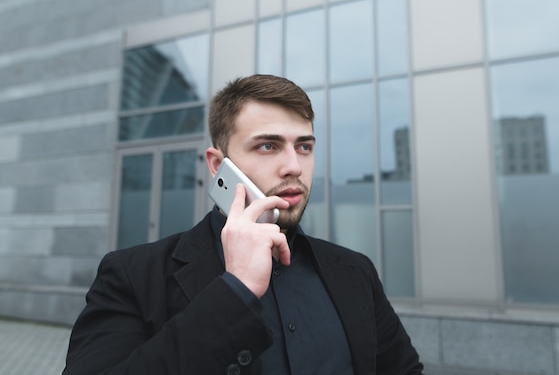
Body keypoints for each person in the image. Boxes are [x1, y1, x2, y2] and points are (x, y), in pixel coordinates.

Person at [63, 74, 425, 374]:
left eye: (304, 147)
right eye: (268, 146)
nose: (294, 166)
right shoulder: (133, 275)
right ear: (217, 165)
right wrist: (234, 292)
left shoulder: (354, 272)